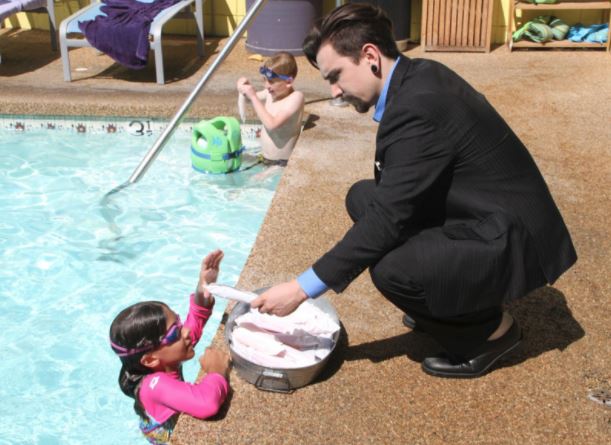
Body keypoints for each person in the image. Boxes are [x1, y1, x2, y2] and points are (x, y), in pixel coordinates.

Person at [250, 4, 577, 379]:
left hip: (515, 238)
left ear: (370, 55)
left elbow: (390, 219)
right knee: (362, 196)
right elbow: (394, 200)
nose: (335, 91)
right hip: (486, 211)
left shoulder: (418, 106)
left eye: (336, 75)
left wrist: (300, 288)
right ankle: (447, 300)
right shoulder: (418, 74)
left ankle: (489, 334)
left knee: (394, 270)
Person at [109, 250, 231, 444]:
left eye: (179, 323)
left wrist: (204, 287)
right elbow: (207, 403)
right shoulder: (153, 386)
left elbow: (196, 320)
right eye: (175, 332)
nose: (185, 332)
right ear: (150, 359)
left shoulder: (166, 356)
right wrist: (217, 370)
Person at [237, 52, 305, 166]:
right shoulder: (270, 93)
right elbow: (250, 99)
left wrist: (253, 96)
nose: (266, 86)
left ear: (288, 82)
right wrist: (243, 88)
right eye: (264, 80)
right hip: (264, 157)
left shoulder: (296, 98)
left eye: (271, 81)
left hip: (281, 164)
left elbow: (272, 124)